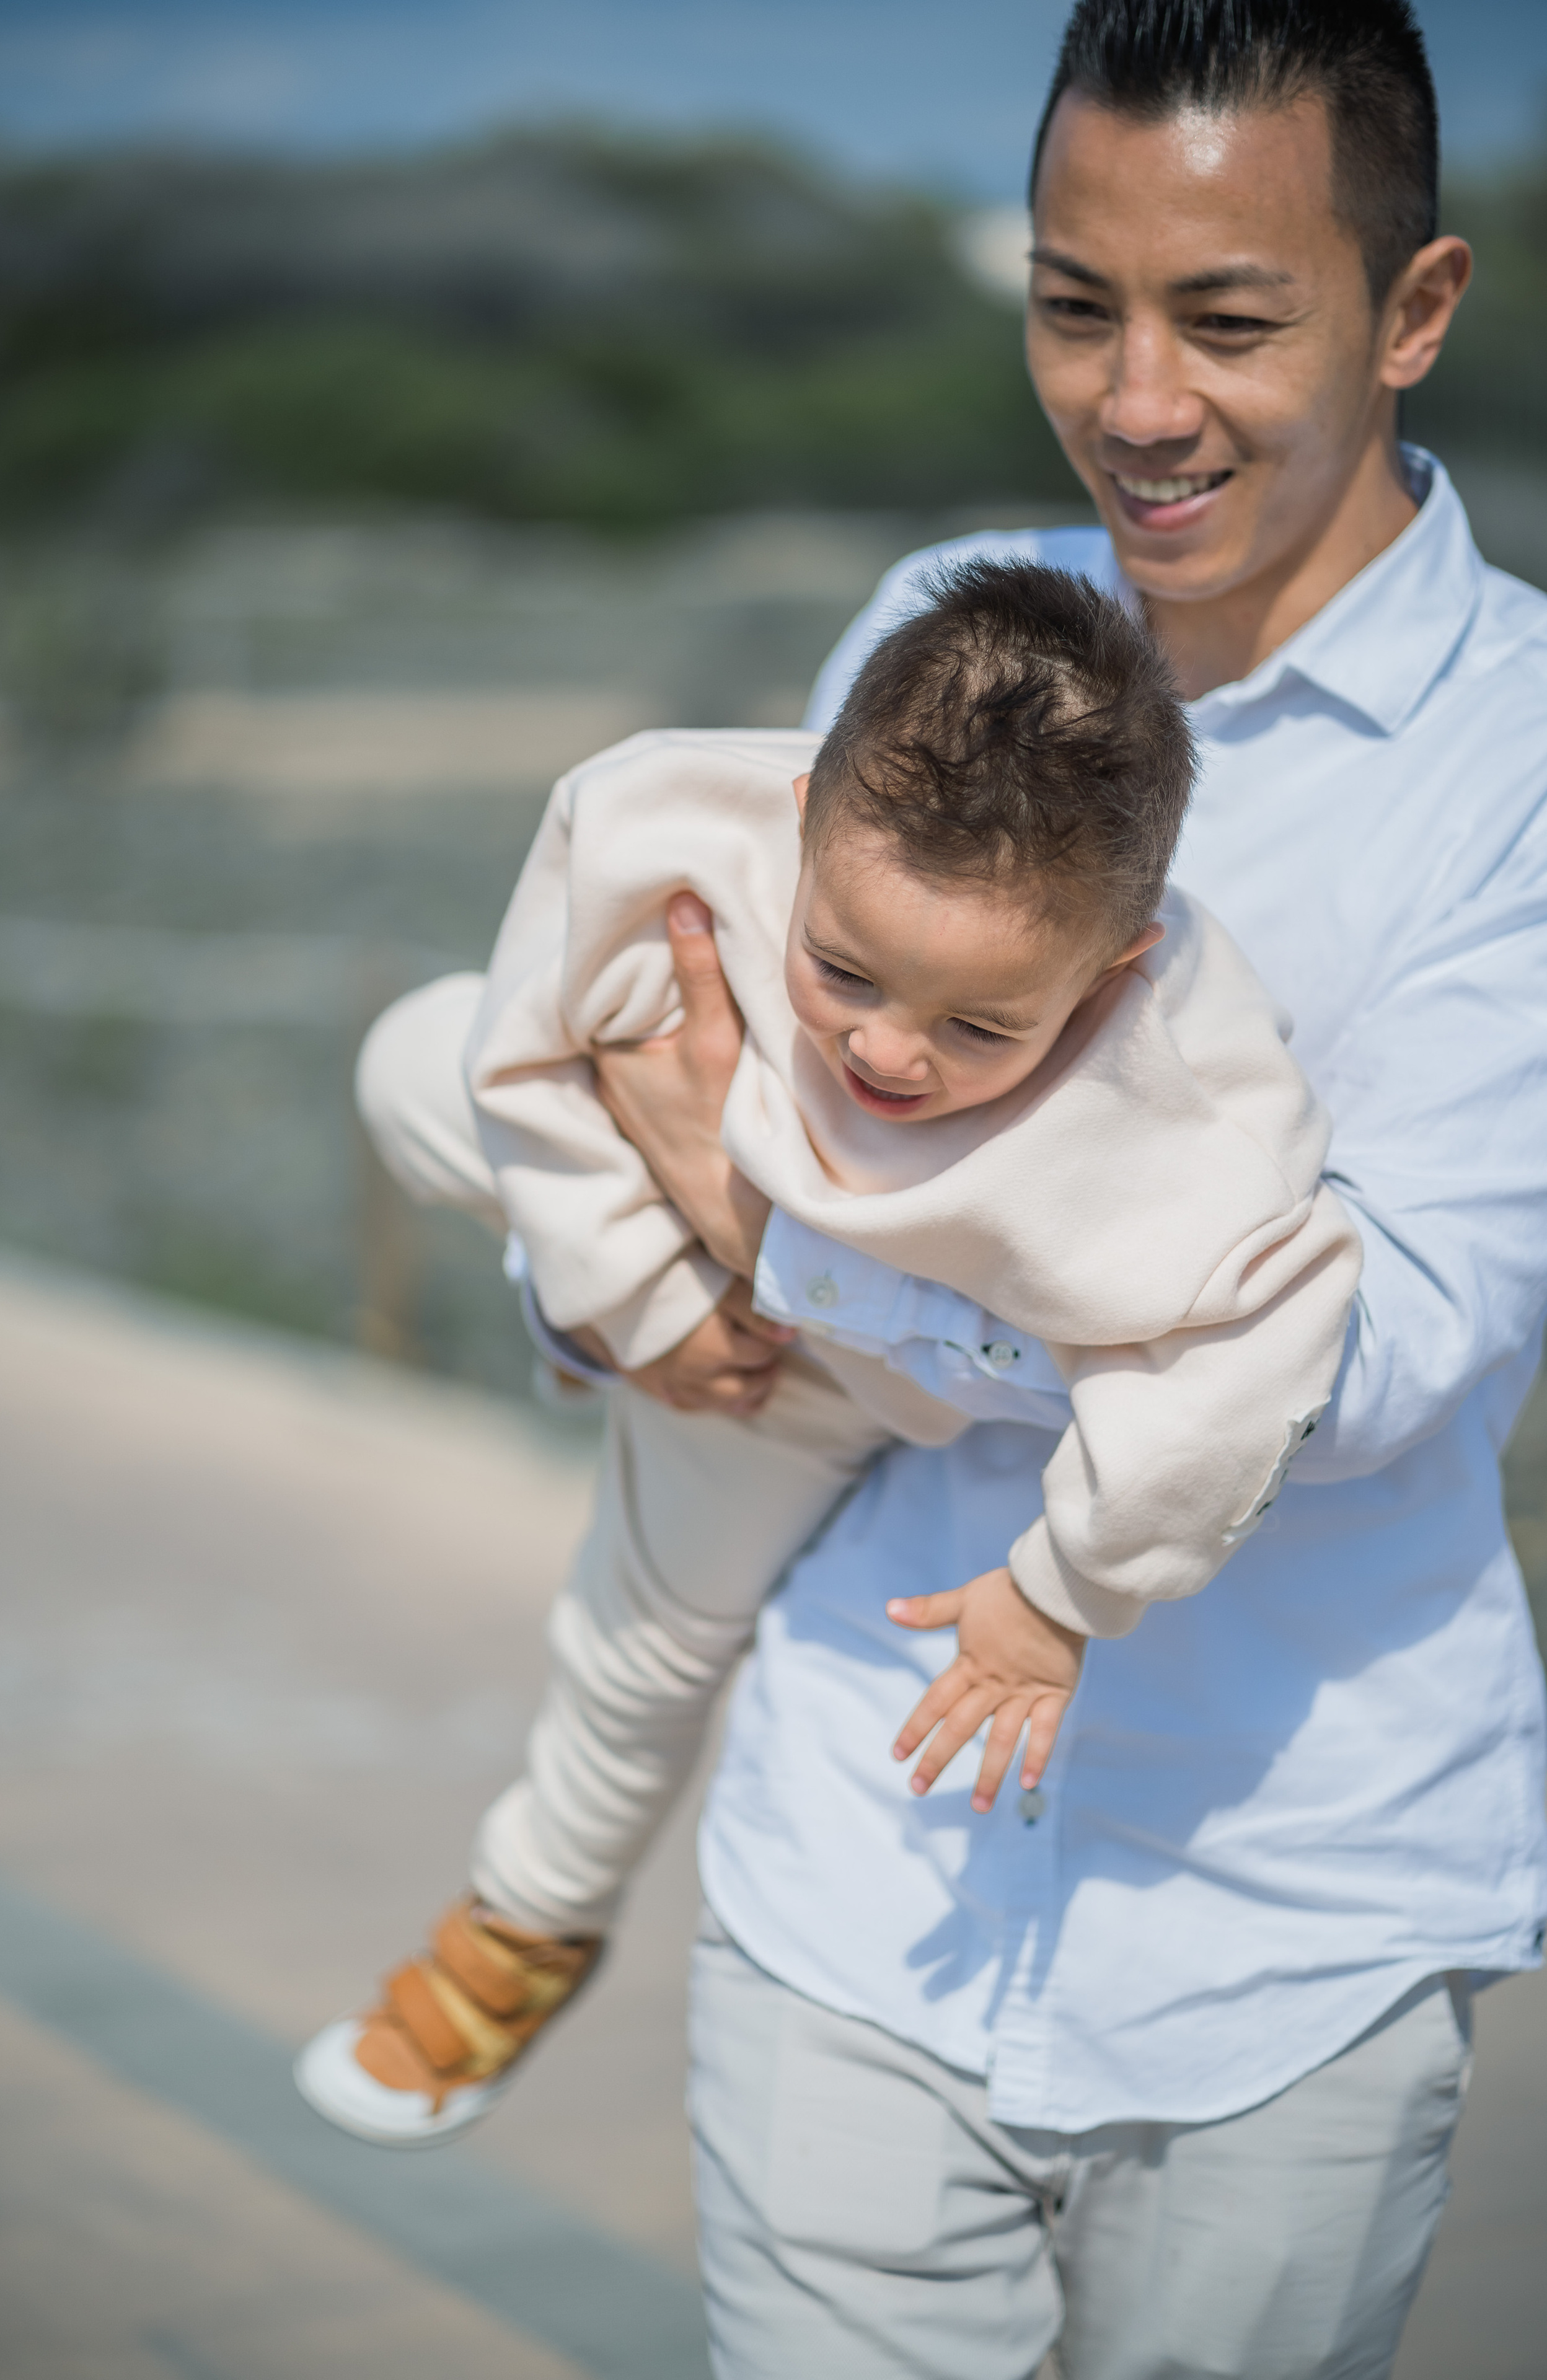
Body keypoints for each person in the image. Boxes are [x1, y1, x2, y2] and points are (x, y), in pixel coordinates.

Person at [576, 3, 1547, 2374]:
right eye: (1071, 300)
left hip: (1287, 1933)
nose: (1134, 401)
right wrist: (630, 1244)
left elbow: (1384, 1356)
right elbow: (703, 1056)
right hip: (856, 1867)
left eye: (1228, 319)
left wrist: (799, 1247)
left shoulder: (1523, 756)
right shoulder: (936, 615)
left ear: (1413, 308)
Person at [293, 563, 1359, 2148]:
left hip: (823, 1374)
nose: (884, 1051)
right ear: (798, 821)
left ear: (1114, 973)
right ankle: (587, 1331)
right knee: (416, 1054)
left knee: (644, 1639)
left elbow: (1254, 1356)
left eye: (979, 1028)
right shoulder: (664, 819)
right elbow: (530, 1051)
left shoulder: (1186, 1095)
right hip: (681, 1238)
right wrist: (637, 1295)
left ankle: (528, 1917)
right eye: (844, 971)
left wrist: (1064, 1590)